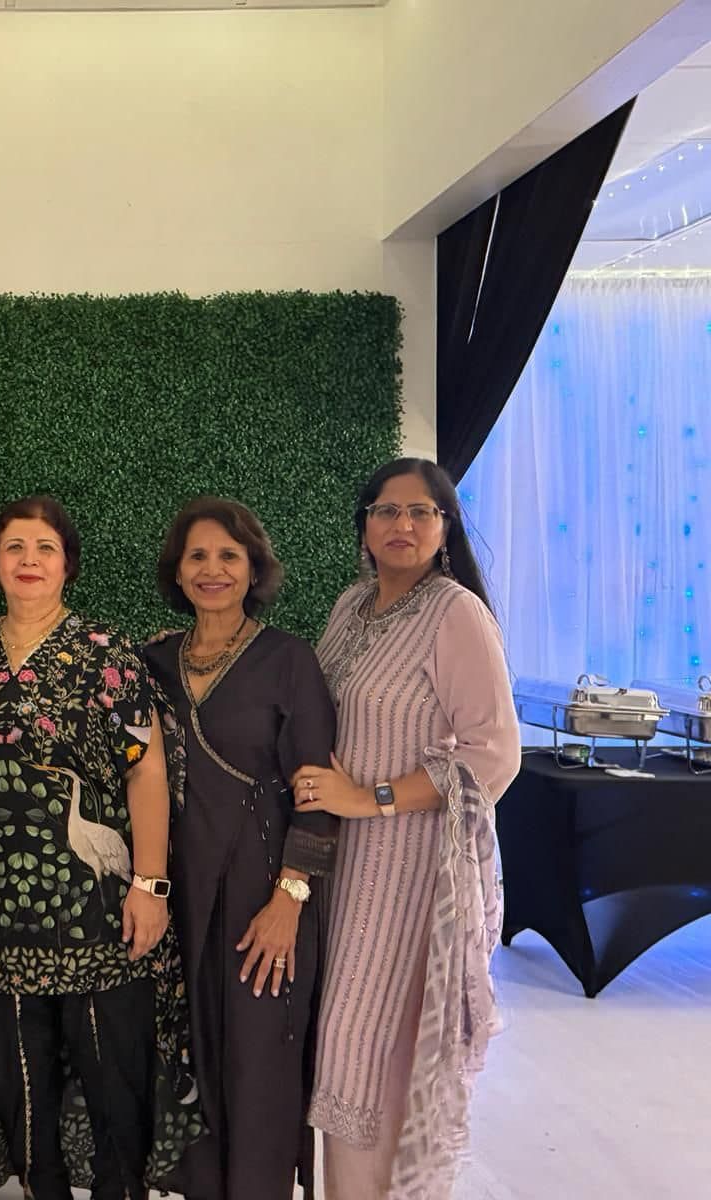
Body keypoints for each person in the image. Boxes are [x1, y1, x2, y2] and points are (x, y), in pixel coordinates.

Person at [293, 458, 520, 1200]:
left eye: (422, 512)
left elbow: (493, 754)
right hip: (338, 868)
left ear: (445, 529)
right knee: (343, 1049)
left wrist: (372, 798)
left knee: (370, 1053)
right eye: (387, 511)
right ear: (363, 523)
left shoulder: (455, 613)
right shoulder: (351, 606)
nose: (404, 525)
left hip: (408, 870)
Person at [0, 495, 203, 1200]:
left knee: (112, 1084)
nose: (29, 561)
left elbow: (146, 768)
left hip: (99, 909)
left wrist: (151, 886)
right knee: (18, 1086)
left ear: (67, 564)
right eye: (15, 548)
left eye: (44, 548)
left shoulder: (105, 652)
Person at [141, 497, 338, 1200]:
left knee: (259, 1064)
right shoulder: (152, 660)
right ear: (178, 570)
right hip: (178, 895)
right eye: (198, 556)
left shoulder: (289, 660)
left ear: (253, 568)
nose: (213, 570)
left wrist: (290, 899)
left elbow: (318, 791)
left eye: (229, 556)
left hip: (264, 895)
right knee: (187, 1054)